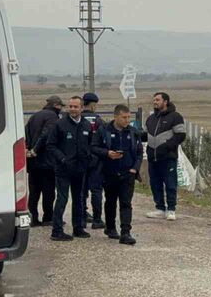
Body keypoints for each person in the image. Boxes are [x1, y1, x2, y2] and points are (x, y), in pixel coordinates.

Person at [91, 104, 142, 245]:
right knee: (110, 201)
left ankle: (126, 232)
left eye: (128, 117)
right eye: (124, 117)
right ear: (115, 117)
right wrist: (107, 153)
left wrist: (135, 169)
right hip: (109, 173)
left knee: (126, 203)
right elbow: (93, 147)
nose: (127, 120)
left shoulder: (133, 132)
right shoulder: (104, 130)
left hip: (128, 173)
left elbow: (139, 152)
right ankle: (110, 227)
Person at [46, 96, 94, 241]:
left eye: (75, 107)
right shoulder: (60, 125)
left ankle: (78, 228)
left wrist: (88, 159)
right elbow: (50, 145)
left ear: (82, 108)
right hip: (63, 170)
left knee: (79, 199)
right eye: (70, 106)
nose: (72, 109)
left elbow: (90, 145)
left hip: (80, 169)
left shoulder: (86, 125)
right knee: (62, 199)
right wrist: (62, 159)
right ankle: (57, 231)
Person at [144, 92, 186, 221]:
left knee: (170, 184)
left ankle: (171, 209)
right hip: (153, 157)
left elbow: (181, 135)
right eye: (154, 100)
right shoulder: (151, 119)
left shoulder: (175, 117)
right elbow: (145, 135)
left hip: (168, 157)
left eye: (157, 100)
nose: (155, 102)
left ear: (165, 102)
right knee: (155, 184)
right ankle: (160, 209)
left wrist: (167, 146)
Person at [24, 95, 63, 226]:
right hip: (47, 161)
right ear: (56, 105)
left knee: (34, 192)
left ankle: (33, 218)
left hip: (32, 161)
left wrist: (29, 150)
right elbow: (46, 135)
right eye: (60, 106)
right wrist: (36, 149)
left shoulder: (34, 116)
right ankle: (48, 218)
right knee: (48, 191)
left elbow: (26, 133)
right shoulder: (53, 117)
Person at [81, 92, 106, 229]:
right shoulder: (98, 120)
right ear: (93, 105)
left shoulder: (77, 118)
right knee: (96, 190)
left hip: (81, 159)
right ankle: (97, 220)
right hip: (96, 159)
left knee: (81, 190)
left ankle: (82, 217)